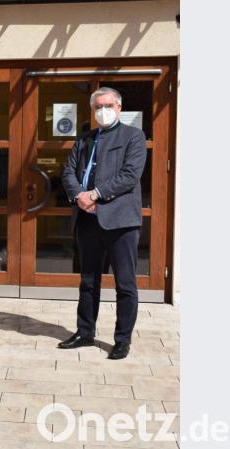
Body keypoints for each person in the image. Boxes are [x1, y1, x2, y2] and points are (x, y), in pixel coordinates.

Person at [59, 87, 146, 360]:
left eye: (108, 105)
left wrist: (96, 193)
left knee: (125, 284)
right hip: (87, 219)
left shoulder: (133, 136)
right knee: (88, 281)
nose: (102, 111)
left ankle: (122, 339)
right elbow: (68, 171)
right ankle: (85, 332)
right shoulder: (84, 139)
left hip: (120, 221)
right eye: (98, 107)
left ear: (119, 107)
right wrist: (79, 196)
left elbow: (129, 175)